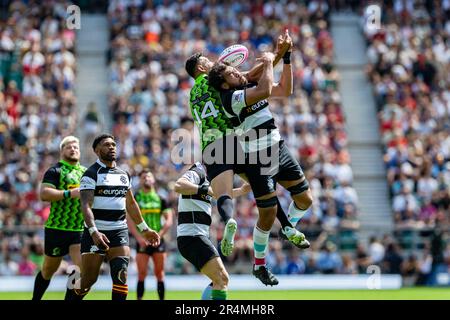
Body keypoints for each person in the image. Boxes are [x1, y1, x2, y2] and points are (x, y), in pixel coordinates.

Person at [185, 31, 306, 258]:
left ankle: (229, 220)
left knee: (224, 196)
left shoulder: (192, 94)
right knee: (264, 189)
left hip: (211, 146)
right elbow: (252, 76)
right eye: (205, 61)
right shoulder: (214, 80)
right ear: (201, 68)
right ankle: (287, 225)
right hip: (234, 142)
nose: (211, 61)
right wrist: (277, 55)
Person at [208, 30, 313, 286]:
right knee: (267, 215)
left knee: (305, 199)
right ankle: (260, 265)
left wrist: (285, 57)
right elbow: (266, 86)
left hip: (278, 148)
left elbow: (284, 90)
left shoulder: (244, 85)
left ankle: (289, 229)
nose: (236, 72)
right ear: (224, 84)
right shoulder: (230, 98)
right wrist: (268, 60)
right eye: (231, 73)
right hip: (257, 158)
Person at [70, 134, 160, 300]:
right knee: (89, 280)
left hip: (119, 232)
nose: (111, 147)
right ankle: (71, 288)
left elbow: (131, 204)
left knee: (121, 276)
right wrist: (94, 231)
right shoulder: (91, 174)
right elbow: (85, 206)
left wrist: (144, 229)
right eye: (106, 145)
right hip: (96, 232)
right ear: (97, 150)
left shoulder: (123, 174)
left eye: (113, 144)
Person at [173, 162, 250, 300]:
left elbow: (218, 194)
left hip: (196, 236)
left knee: (220, 280)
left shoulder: (209, 177)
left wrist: (242, 190)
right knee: (222, 279)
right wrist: (204, 189)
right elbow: (178, 185)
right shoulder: (199, 170)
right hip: (192, 236)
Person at [32, 136, 86, 300]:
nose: (73, 149)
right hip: (56, 228)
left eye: (76, 147)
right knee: (48, 270)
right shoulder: (55, 171)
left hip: (78, 229)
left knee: (81, 269)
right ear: (62, 151)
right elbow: (44, 194)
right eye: (69, 146)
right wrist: (70, 193)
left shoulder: (86, 172)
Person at [127, 170, 173, 300]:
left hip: (159, 241)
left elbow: (169, 220)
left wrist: (159, 235)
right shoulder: (135, 198)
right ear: (140, 181)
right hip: (142, 241)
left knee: (160, 273)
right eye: (143, 177)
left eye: (148, 176)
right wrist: (139, 238)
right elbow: (129, 220)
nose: (146, 178)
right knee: (141, 273)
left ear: (153, 180)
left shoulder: (161, 198)